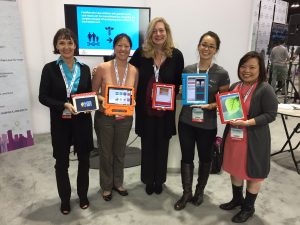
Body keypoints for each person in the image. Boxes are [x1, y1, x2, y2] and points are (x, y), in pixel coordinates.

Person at [39, 28, 93, 215]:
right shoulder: (49, 69)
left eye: (70, 43)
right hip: (61, 123)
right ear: (56, 46)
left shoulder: (85, 69)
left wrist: (91, 102)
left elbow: (88, 95)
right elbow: (43, 97)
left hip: (82, 123)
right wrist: (63, 104)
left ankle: (83, 195)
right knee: (61, 163)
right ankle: (65, 199)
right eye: (62, 43)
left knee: (84, 161)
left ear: (75, 45)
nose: (66, 46)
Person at [174, 31, 230, 210]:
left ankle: (199, 192)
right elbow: (181, 95)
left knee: (205, 158)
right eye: (204, 44)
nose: (206, 48)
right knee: (187, 157)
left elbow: (225, 102)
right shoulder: (188, 70)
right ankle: (186, 192)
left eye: (211, 46)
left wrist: (211, 106)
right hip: (186, 122)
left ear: (216, 50)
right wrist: (181, 92)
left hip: (207, 124)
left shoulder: (221, 73)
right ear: (198, 46)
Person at [220, 51, 278, 223]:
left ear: (260, 69)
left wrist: (248, 122)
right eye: (243, 66)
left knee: (253, 174)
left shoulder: (265, 89)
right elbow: (230, 110)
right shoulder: (235, 86)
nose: (247, 70)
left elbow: (271, 114)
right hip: (235, 138)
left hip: (254, 140)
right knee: (235, 169)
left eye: (252, 67)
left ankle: (248, 208)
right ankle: (237, 200)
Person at [129, 17, 184, 195]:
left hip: (165, 112)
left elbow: (178, 83)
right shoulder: (140, 54)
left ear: (167, 33)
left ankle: (159, 180)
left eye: (162, 30)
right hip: (145, 111)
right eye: (155, 30)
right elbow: (130, 77)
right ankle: (147, 180)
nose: (158, 34)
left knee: (162, 145)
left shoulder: (176, 55)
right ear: (150, 34)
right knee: (147, 145)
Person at [92, 33, 138, 201]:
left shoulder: (134, 71)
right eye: (119, 45)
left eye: (126, 46)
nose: (123, 49)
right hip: (105, 118)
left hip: (125, 120)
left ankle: (118, 183)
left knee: (120, 153)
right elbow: (93, 93)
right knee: (106, 153)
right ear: (114, 47)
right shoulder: (102, 68)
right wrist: (104, 99)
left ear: (130, 49)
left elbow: (134, 95)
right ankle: (106, 186)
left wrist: (131, 103)